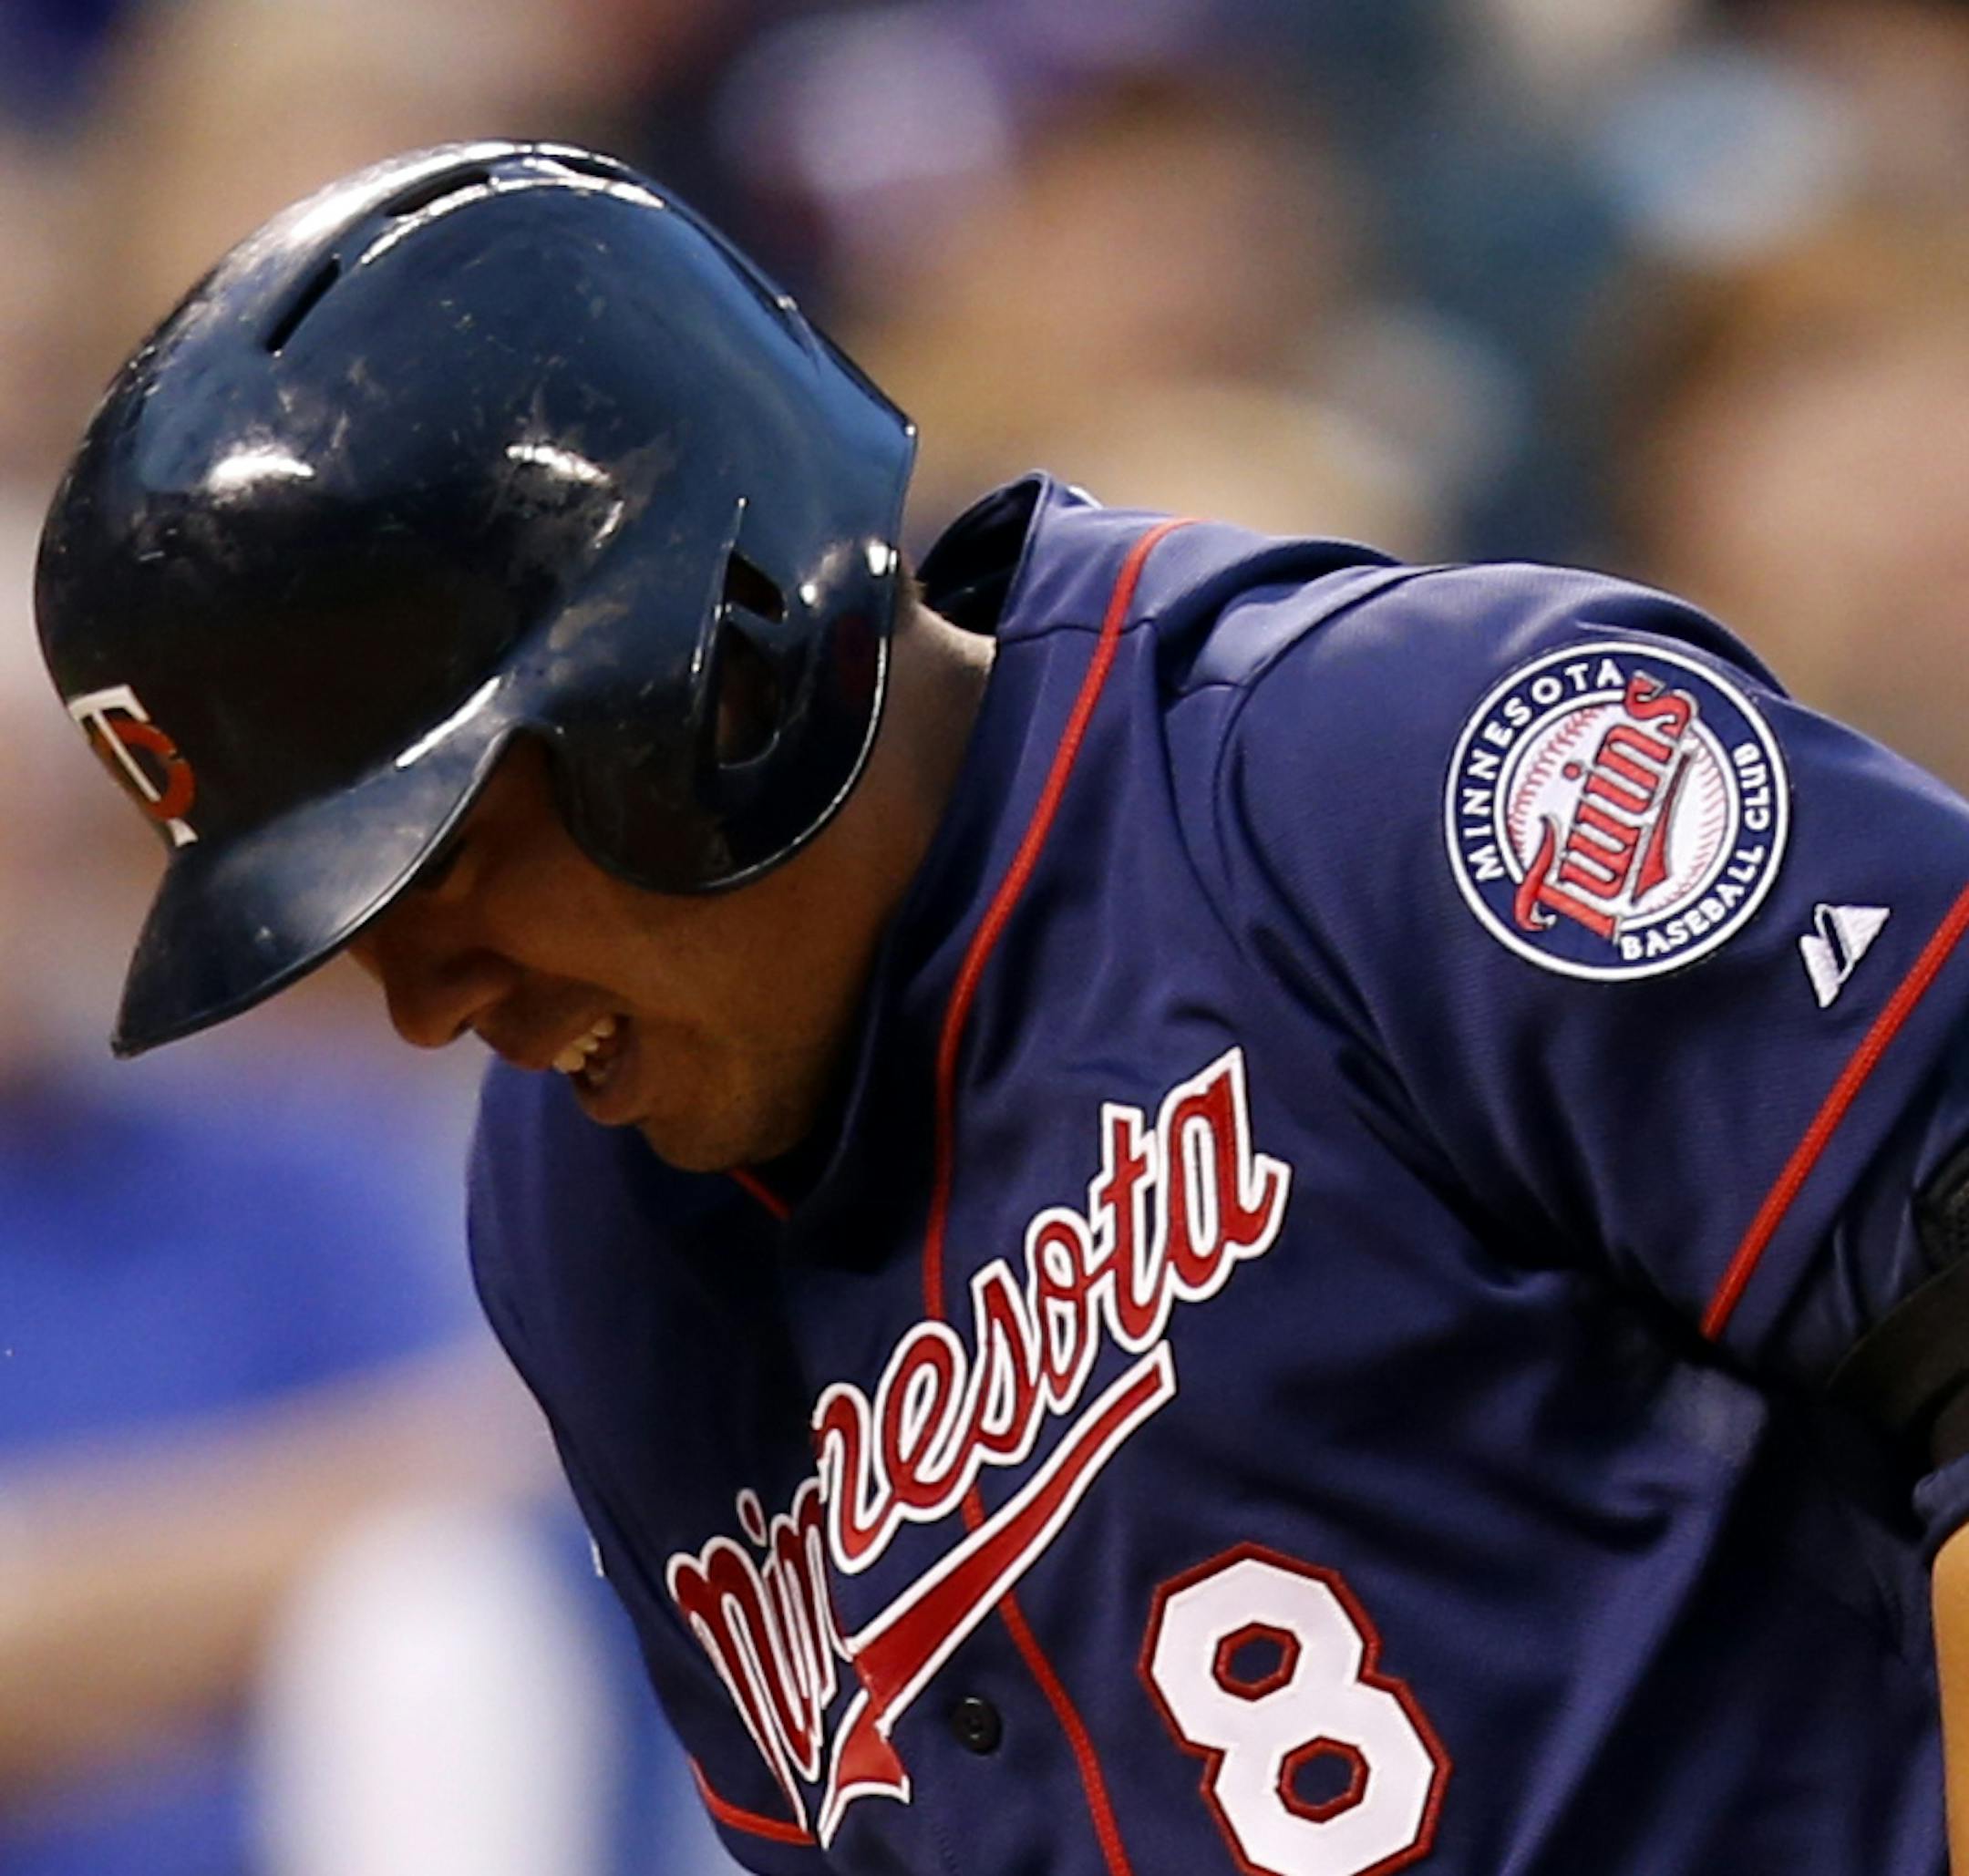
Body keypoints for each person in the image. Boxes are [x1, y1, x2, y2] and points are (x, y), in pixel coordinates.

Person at [29, 139, 1969, 1876]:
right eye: (340, 934)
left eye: (438, 868)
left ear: (717, 666)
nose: (423, 1004)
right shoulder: (582, 1213)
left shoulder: (1378, 765)